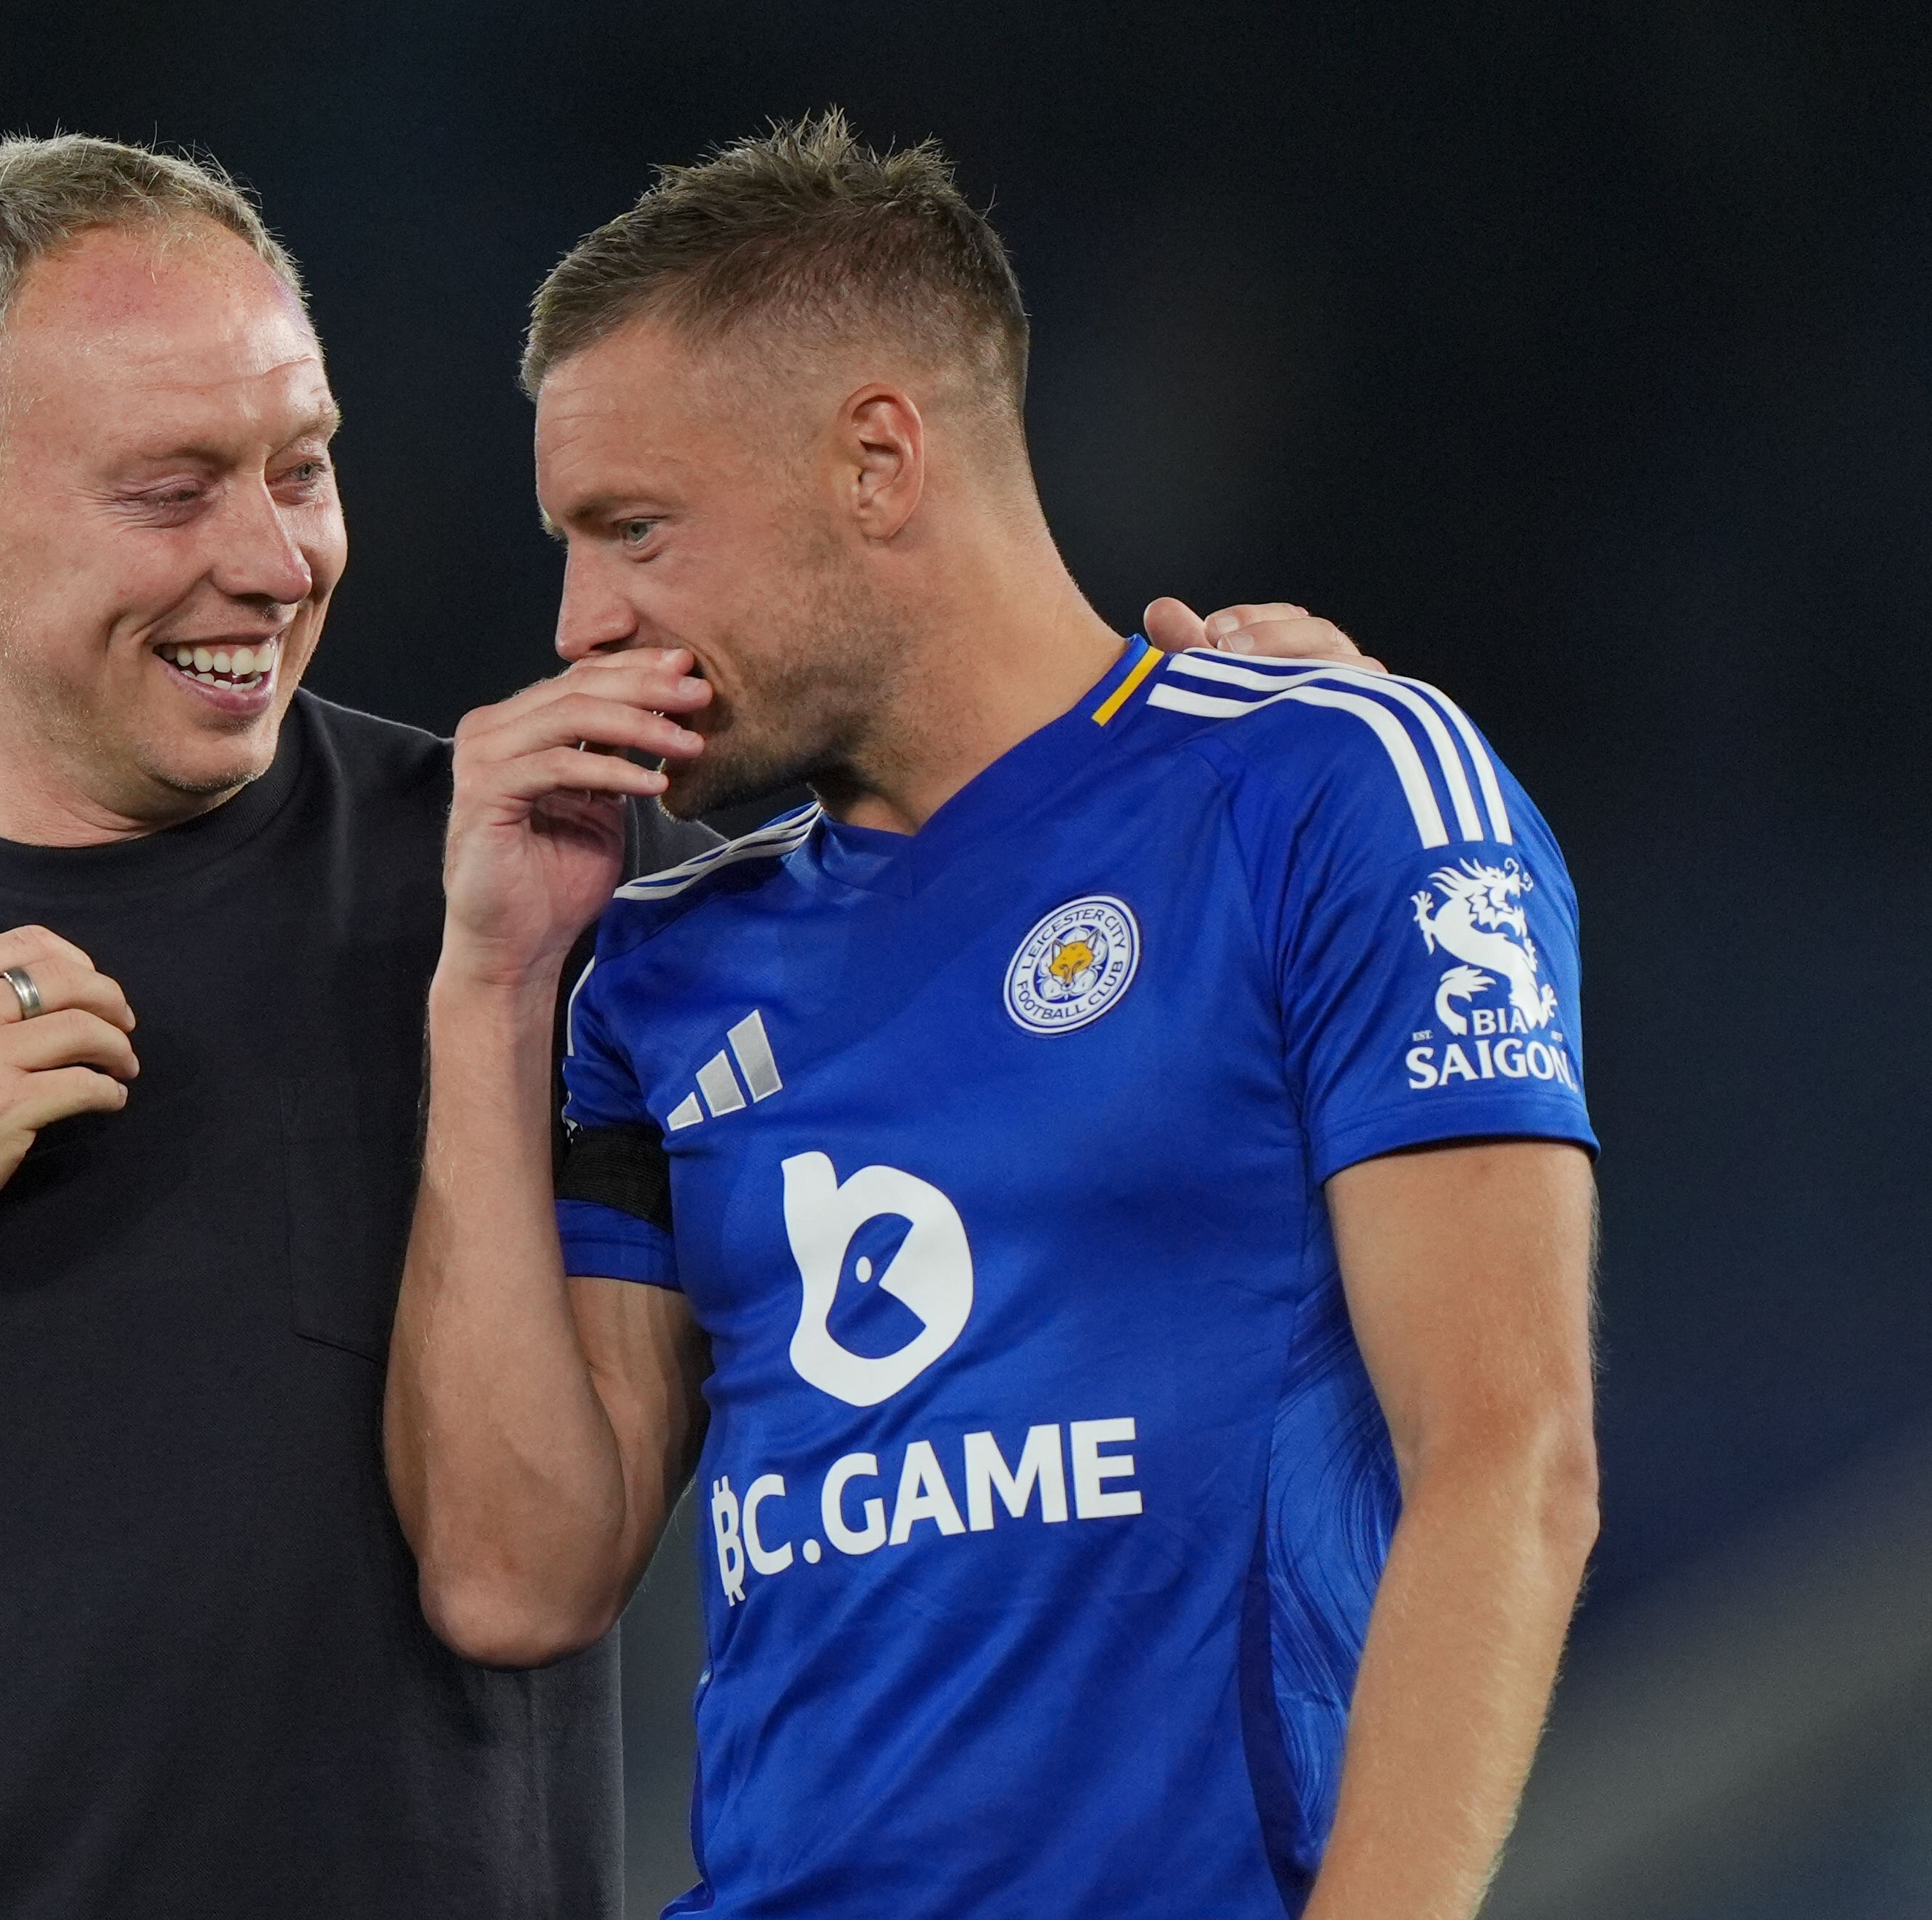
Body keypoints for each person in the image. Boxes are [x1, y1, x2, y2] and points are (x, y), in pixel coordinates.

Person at [0, 129, 1367, 1917]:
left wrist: (1179, 755)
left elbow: (978, 953)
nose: (270, 554)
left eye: (300, 465)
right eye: (171, 489)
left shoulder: (561, 881)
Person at [388, 112, 1599, 1920]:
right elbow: (512, 1577)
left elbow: (1511, 1456)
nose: (579, 618)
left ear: (878, 460)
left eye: (633, 528)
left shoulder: (1323, 789)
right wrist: (484, 988)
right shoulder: (651, 969)